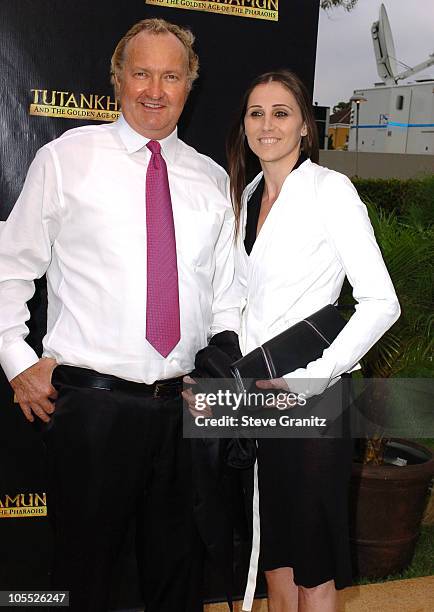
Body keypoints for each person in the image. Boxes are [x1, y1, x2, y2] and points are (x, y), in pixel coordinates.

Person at [0, 18, 240, 612]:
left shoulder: (211, 180)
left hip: (183, 412)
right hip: (90, 409)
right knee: (83, 578)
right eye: (141, 73)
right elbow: (10, 265)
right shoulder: (64, 160)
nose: (154, 89)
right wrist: (15, 360)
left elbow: (228, 294)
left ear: (190, 85)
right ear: (117, 80)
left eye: (171, 75)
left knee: (177, 579)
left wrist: (218, 375)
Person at [226, 70, 400, 612]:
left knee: (313, 564)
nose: (267, 124)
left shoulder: (330, 190)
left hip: (313, 398)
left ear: (305, 125)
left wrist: (313, 377)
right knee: (273, 549)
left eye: (281, 112)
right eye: (256, 112)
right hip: (257, 395)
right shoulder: (246, 196)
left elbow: (381, 301)